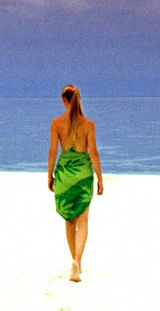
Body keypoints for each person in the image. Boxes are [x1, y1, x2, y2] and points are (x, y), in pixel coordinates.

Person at [48, 83, 104, 282]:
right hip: (82, 175)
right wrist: (100, 178)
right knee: (83, 220)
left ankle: (74, 261)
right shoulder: (89, 124)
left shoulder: (56, 123)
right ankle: (77, 262)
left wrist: (49, 176)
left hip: (64, 174)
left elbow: (53, 152)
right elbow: (94, 154)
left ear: (64, 100)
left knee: (69, 220)